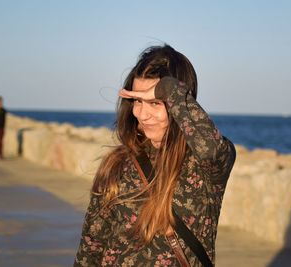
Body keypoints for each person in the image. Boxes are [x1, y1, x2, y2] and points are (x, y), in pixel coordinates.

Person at [74, 45, 236, 266]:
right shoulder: (118, 163)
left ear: (178, 103)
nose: (142, 114)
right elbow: (91, 247)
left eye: (155, 102)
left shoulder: (203, 166)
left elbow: (212, 148)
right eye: (137, 101)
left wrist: (168, 89)